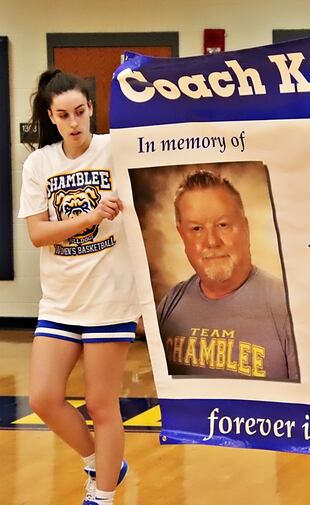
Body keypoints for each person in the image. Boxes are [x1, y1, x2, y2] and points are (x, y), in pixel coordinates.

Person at [19, 69, 140, 505]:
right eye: (63, 115)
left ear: (92, 109)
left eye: (81, 112)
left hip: (109, 298)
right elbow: (38, 234)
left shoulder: (117, 150)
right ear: (52, 117)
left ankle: (102, 494)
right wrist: (91, 216)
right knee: (44, 397)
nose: (74, 122)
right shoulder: (39, 163)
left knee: (101, 404)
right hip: (59, 300)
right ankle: (103, 461)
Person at [157, 169, 300, 381]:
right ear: (182, 235)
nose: (212, 241)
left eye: (223, 225)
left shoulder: (287, 307)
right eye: (196, 229)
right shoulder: (172, 302)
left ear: (245, 227)